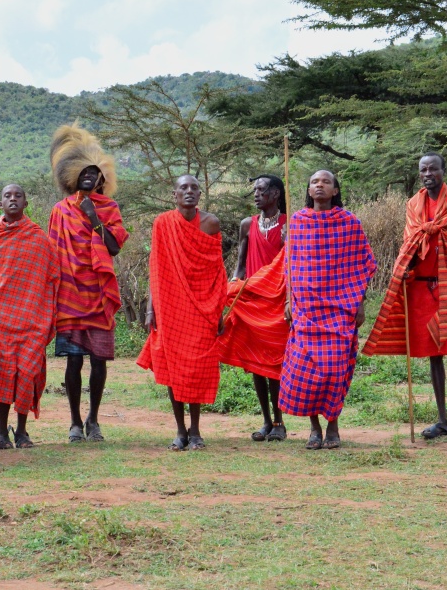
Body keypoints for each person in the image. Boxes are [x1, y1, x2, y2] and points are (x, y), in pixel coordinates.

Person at [363, 154, 447, 440]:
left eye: (433, 168)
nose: (427, 173)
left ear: (443, 171)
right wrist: (407, 264)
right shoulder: (413, 205)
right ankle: (442, 420)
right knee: (433, 356)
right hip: (422, 288)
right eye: (423, 169)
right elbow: (410, 240)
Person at [278, 170, 377, 450]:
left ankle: (333, 427)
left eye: (326, 182)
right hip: (306, 308)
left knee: (335, 370)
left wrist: (359, 303)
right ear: (308, 190)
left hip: (340, 308)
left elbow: (362, 265)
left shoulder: (349, 223)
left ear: (335, 191)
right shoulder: (297, 222)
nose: (319, 185)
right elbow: (290, 266)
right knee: (307, 371)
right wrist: (288, 301)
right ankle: (314, 428)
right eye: (314, 182)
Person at [47, 124, 129, 443]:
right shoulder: (59, 211)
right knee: (73, 360)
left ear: (101, 179)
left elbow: (114, 246)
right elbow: (53, 253)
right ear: (73, 176)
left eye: (94, 173)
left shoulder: (108, 208)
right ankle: (74, 423)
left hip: (99, 294)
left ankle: (93, 419)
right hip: (69, 294)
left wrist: (93, 217)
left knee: (98, 360)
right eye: (84, 172)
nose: (89, 177)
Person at [137, 174, 227, 451]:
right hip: (170, 307)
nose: (189, 192)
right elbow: (156, 267)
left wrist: (219, 312)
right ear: (173, 194)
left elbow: (216, 272)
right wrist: (151, 310)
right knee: (172, 366)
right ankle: (179, 429)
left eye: (194, 188)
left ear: (200, 195)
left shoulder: (211, 223)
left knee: (197, 367)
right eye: (183, 188)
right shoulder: (162, 223)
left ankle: (196, 430)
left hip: (202, 308)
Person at [0, 184, 59, 448]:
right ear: (0, 204)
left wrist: (44, 312)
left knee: (28, 371)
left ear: (26, 203)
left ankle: (21, 431)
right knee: (1, 371)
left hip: (31, 318)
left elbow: (51, 277)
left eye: (18, 196)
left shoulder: (38, 238)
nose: (13, 199)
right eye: (7, 196)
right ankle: (1, 431)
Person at [217, 174, 289, 442]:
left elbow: (292, 262)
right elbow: (241, 265)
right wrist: (233, 285)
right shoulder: (248, 224)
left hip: (278, 299)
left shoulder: (289, 224)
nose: (256, 194)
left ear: (276, 194)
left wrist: (287, 241)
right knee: (255, 365)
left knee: (274, 363)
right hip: (252, 300)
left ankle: (280, 421)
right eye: (254, 190)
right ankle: (266, 421)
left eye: (262, 190)